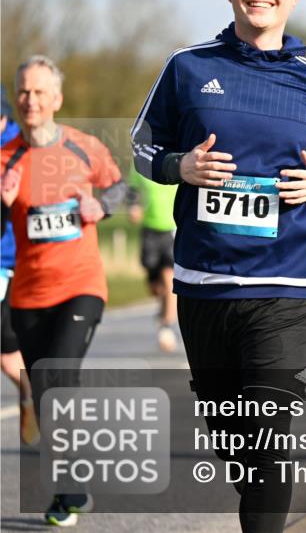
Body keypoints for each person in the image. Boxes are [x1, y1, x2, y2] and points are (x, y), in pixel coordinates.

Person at [130, 0, 306, 533]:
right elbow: (141, 148)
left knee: (270, 430)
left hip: (287, 288)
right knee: (237, 446)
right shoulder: (187, 68)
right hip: (204, 285)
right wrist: (179, 166)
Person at [3, 56, 126, 525]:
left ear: (56, 99)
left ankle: (67, 486)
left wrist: (100, 206)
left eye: (39, 92)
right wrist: (3, 202)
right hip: (29, 296)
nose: (30, 100)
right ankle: (71, 488)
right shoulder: (6, 158)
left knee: (58, 379)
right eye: (23, 92)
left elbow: (119, 190)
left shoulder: (83, 147)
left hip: (81, 285)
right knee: (44, 391)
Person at [0, 90, 40, 448]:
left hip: (10, 261)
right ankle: (30, 392)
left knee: (8, 351)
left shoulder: (21, 146)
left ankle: (30, 393)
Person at [126, 163, 179, 352]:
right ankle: (162, 309)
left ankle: (166, 326)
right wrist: (133, 206)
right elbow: (132, 188)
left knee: (169, 279)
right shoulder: (142, 164)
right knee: (155, 288)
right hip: (149, 230)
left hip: (172, 229)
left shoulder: (177, 162)